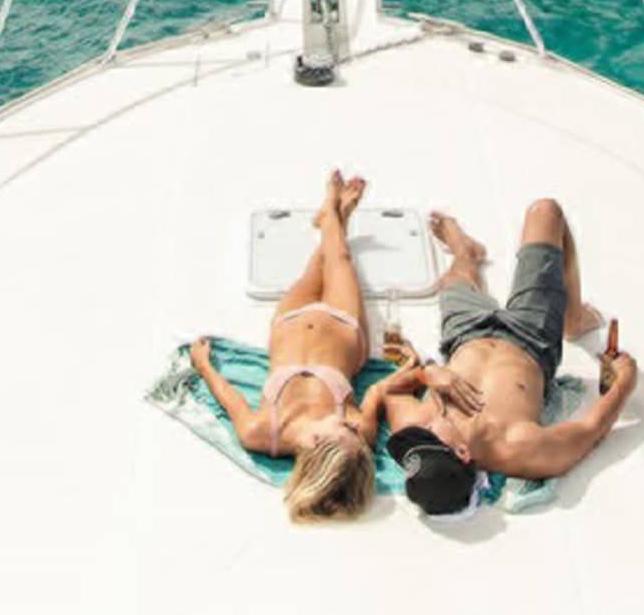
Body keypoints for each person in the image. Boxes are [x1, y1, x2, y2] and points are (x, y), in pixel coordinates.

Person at [189, 170, 468, 523]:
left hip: (289, 324)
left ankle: (333, 219)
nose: (356, 429)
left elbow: (229, 397)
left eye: (347, 431)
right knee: (340, 261)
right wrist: (413, 372)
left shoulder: (260, 433)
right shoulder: (357, 436)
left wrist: (204, 366)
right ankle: (331, 212)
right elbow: (379, 391)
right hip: (344, 327)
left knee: (315, 267)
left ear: (317, 446)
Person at [376, 199, 638, 517]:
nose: (425, 426)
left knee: (453, 280)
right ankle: (574, 319)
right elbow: (591, 430)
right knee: (545, 212)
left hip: (464, 335)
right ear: (461, 452)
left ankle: (465, 251)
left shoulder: (416, 423)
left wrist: (428, 374)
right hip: (530, 338)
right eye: (428, 436)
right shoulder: (518, 447)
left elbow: (389, 391)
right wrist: (624, 384)